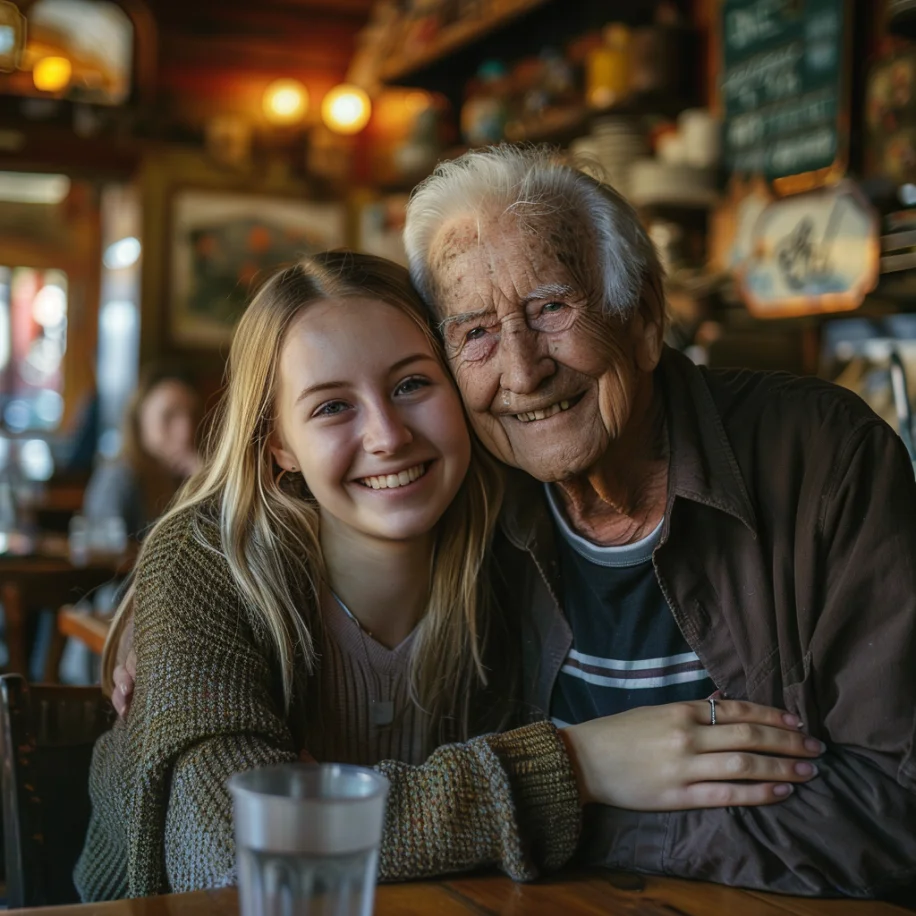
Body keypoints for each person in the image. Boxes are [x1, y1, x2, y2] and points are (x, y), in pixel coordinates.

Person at [77, 252, 821, 900]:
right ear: (279, 446)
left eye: (410, 385)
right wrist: (577, 764)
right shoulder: (210, 564)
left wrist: (329, 807)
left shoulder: (515, 539)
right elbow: (226, 849)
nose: (387, 435)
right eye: (333, 406)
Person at [395, 144, 916, 898]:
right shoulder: (462, 494)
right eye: (473, 331)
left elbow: (891, 804)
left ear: (642, 321)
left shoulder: (824, 459)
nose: (521, 369)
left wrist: (573, 809)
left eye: (549, 308)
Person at [83, 365, 202, 542]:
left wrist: (205, 481)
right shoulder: (117, 478)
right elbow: (105, 558)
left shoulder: (189, 475)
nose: (186, 431)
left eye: (191, 415)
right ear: (139, 419)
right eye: (169, 415)